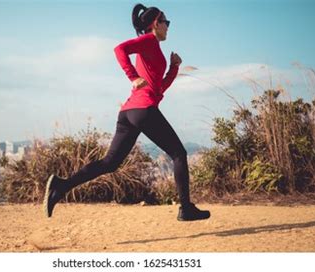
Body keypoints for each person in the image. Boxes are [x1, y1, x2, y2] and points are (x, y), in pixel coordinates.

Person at [44, 3, 211, 221]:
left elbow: (157, 89)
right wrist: (132, 76)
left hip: (129, 112)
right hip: (142, 109)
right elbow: (119, 49)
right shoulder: (149, 40)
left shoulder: (153, 49)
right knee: (179, 154)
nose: (168, 27)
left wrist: (174, 68)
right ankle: (186, 208)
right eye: (166, 23)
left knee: (110, 163)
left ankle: (61, 185)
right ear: (156, 24)